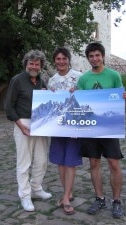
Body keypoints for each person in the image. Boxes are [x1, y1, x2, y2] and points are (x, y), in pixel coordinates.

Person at [77, 42, 126, 219]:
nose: (94, 58)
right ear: (88, 58)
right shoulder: (83, 79)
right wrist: (74, 94)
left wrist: (124, 97)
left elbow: (119, 100)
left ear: (103, 56)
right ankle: (99, 198)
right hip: (90, 126)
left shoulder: (113, 75)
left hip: (109, 125)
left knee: (114, 164)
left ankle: (116, 201)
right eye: (91, 56)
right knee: (94, 163)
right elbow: (80, 102)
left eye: (97, 55)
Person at [6, 49, 52, 212]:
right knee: (24, 162)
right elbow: (9, 107)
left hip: (41, 123)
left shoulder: (42, 81)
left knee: (41, 161)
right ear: (26, 64)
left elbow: (49, 102)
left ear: (41, 66)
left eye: (37, 64)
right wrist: (20, 125)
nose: (34, 66)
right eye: (31, 63)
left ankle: (36, 188)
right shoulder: (17, 80)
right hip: (23, 122)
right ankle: (25, 196)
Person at [47, 47, 83, 215]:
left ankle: (66, 198)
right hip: (57, 126)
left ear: (69, 60)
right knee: (61, 162)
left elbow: (86, 99)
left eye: (64, 58)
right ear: (54, 61)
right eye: (58, 59)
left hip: (74, 126)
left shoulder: (79, 77)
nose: (61, 62)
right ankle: (67, 192)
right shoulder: (52, 81)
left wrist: (79, 92)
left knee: (70, 162)